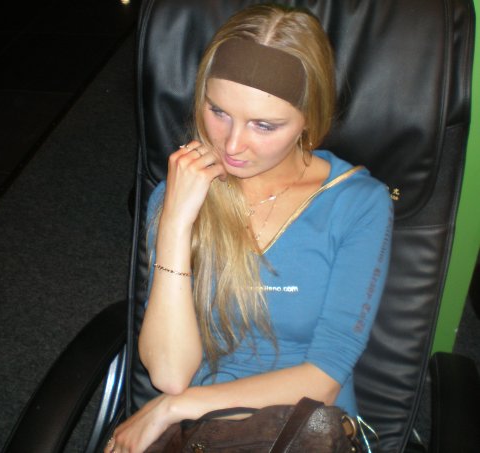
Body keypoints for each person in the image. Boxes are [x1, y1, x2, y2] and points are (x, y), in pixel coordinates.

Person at [105, 4, 393, 453]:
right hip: (199, 435)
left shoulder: (359, 204)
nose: (232, 144)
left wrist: (172, 408)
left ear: (308, 119)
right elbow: (169, 374)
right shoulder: (182, 190)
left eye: (264, 125)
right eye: (218, 111)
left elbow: (325, 377)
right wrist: (176, 223)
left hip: (302, 430)